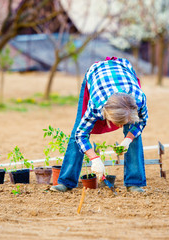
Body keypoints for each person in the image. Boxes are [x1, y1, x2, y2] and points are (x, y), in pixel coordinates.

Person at [50, 57, 148, 193]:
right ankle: (66, 181)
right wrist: (94, 158)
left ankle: (134, 183)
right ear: (105, 114)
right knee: (76, 131)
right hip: (96, 74)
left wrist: (128, 139)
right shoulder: (97, 103)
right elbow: (81, 134)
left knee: (135, 133)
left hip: (124, 69)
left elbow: (142, 121)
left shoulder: (139, 98)